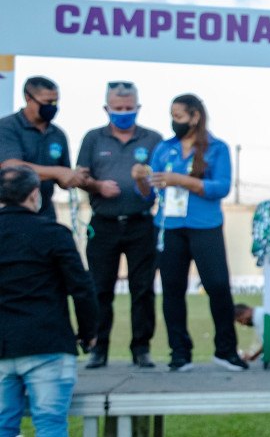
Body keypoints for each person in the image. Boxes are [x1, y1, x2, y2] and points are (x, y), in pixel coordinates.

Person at [0, 166, 97, 437]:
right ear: (34, 196)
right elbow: (82, 287)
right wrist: (89, 333)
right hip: (47, 344)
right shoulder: (52, 233)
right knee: (50, 424)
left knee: (2, 427)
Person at [144, 94, 246, 372]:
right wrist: (140, 179)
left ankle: (225, 351)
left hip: (205, 227)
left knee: (218, 286)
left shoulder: (217, 148)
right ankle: (179, 352)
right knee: (172, 291)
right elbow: (149, 192)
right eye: (172, 116)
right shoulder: (164, 149)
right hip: (169, 227)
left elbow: (220, 187)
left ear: (195, 117)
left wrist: (182, 180)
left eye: (179, 117)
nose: (174, 122)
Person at [76, 81, 163, 369]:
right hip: (104, 224)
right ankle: (98, 348)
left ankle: (141, 349)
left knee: (143, 289)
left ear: (138, 108)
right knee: (100, 288)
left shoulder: (153, 139)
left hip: (141, 224)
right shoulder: (93, 138)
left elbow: (160, 181)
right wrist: (97, 186)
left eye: (129, 108)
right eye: (118, 108)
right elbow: (80, 177)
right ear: (106, 108)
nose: (124, 113)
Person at [0, 76, 87, 220]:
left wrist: (75, 176)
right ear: (28, 98)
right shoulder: (7, 127)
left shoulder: (58, 134)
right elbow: (11, 168)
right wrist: (58, 172)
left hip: (45, 213)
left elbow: (63, 180)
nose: (52, 106)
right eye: (47, 102)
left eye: (55, 102)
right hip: (10, 214)